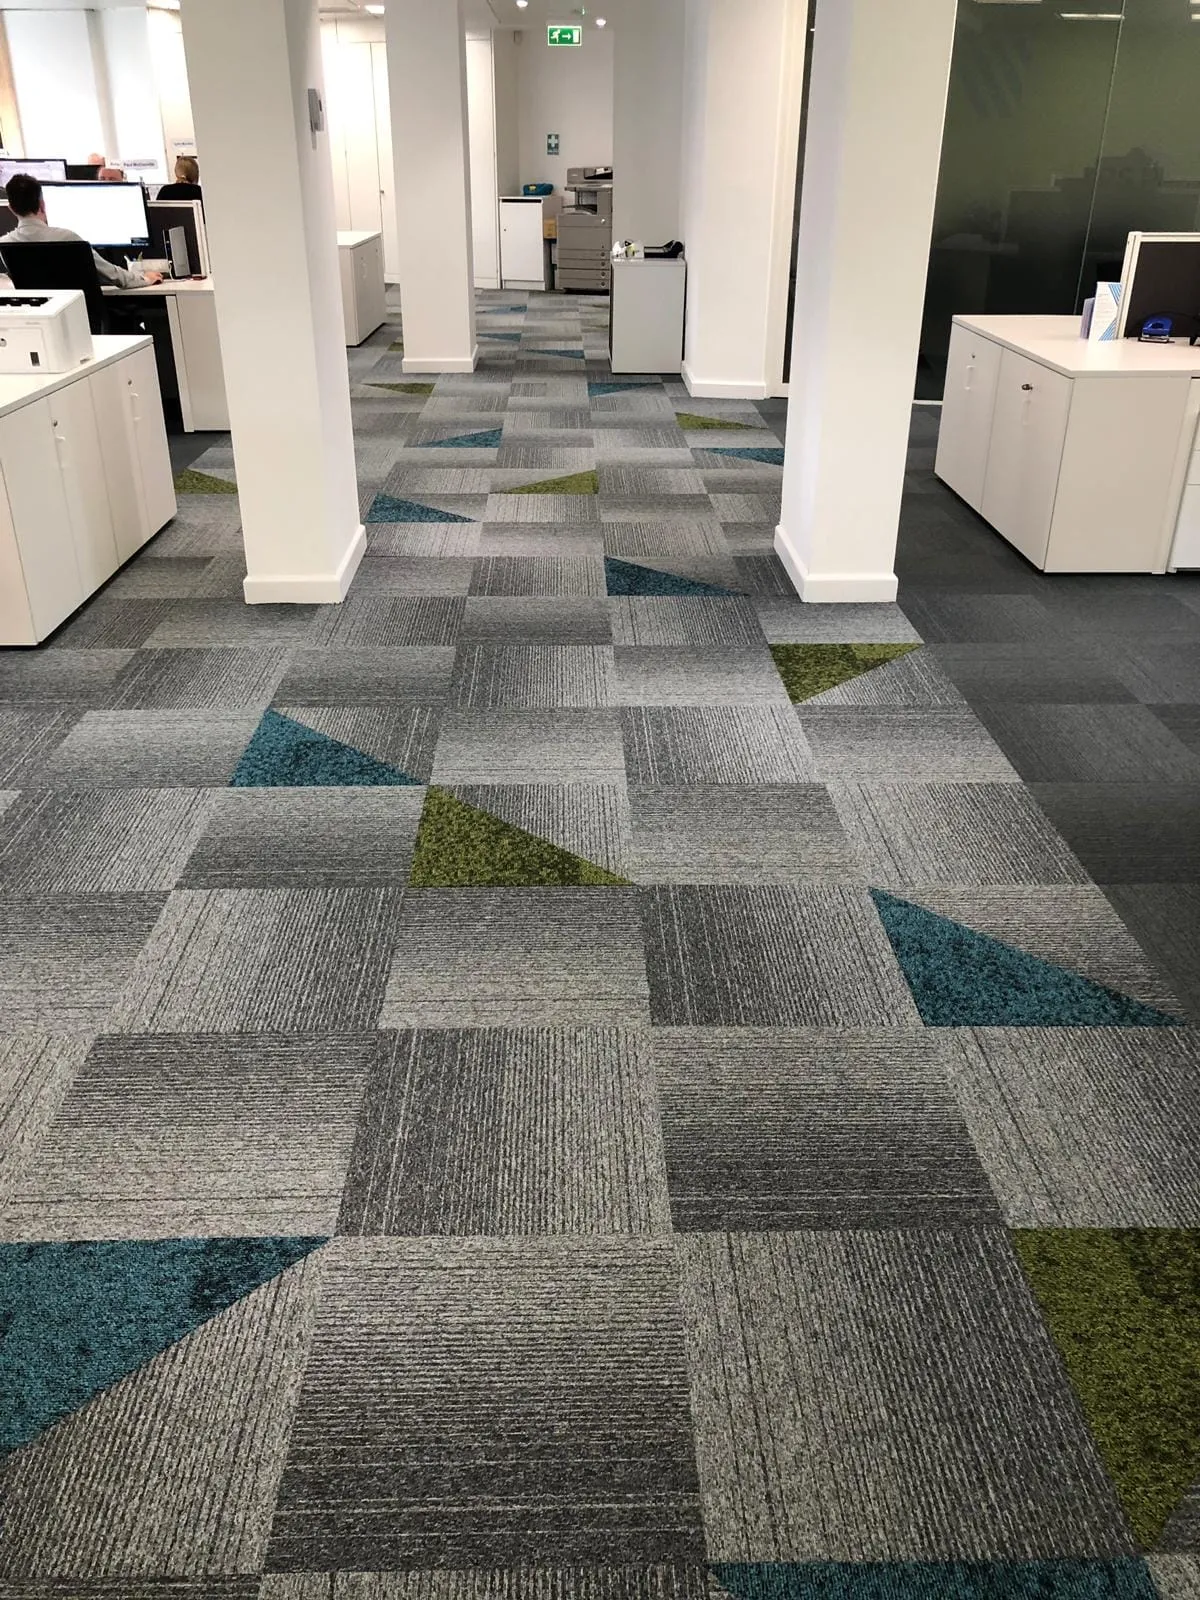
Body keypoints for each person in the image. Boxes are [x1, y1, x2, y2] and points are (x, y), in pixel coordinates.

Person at [0, 173, 161, 287]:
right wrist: (144, 278)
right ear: (42, 204)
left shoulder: (5, 244)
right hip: (86, 318)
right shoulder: (67, 238)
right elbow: (113, 276)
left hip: (45, 324)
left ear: (11, 209)